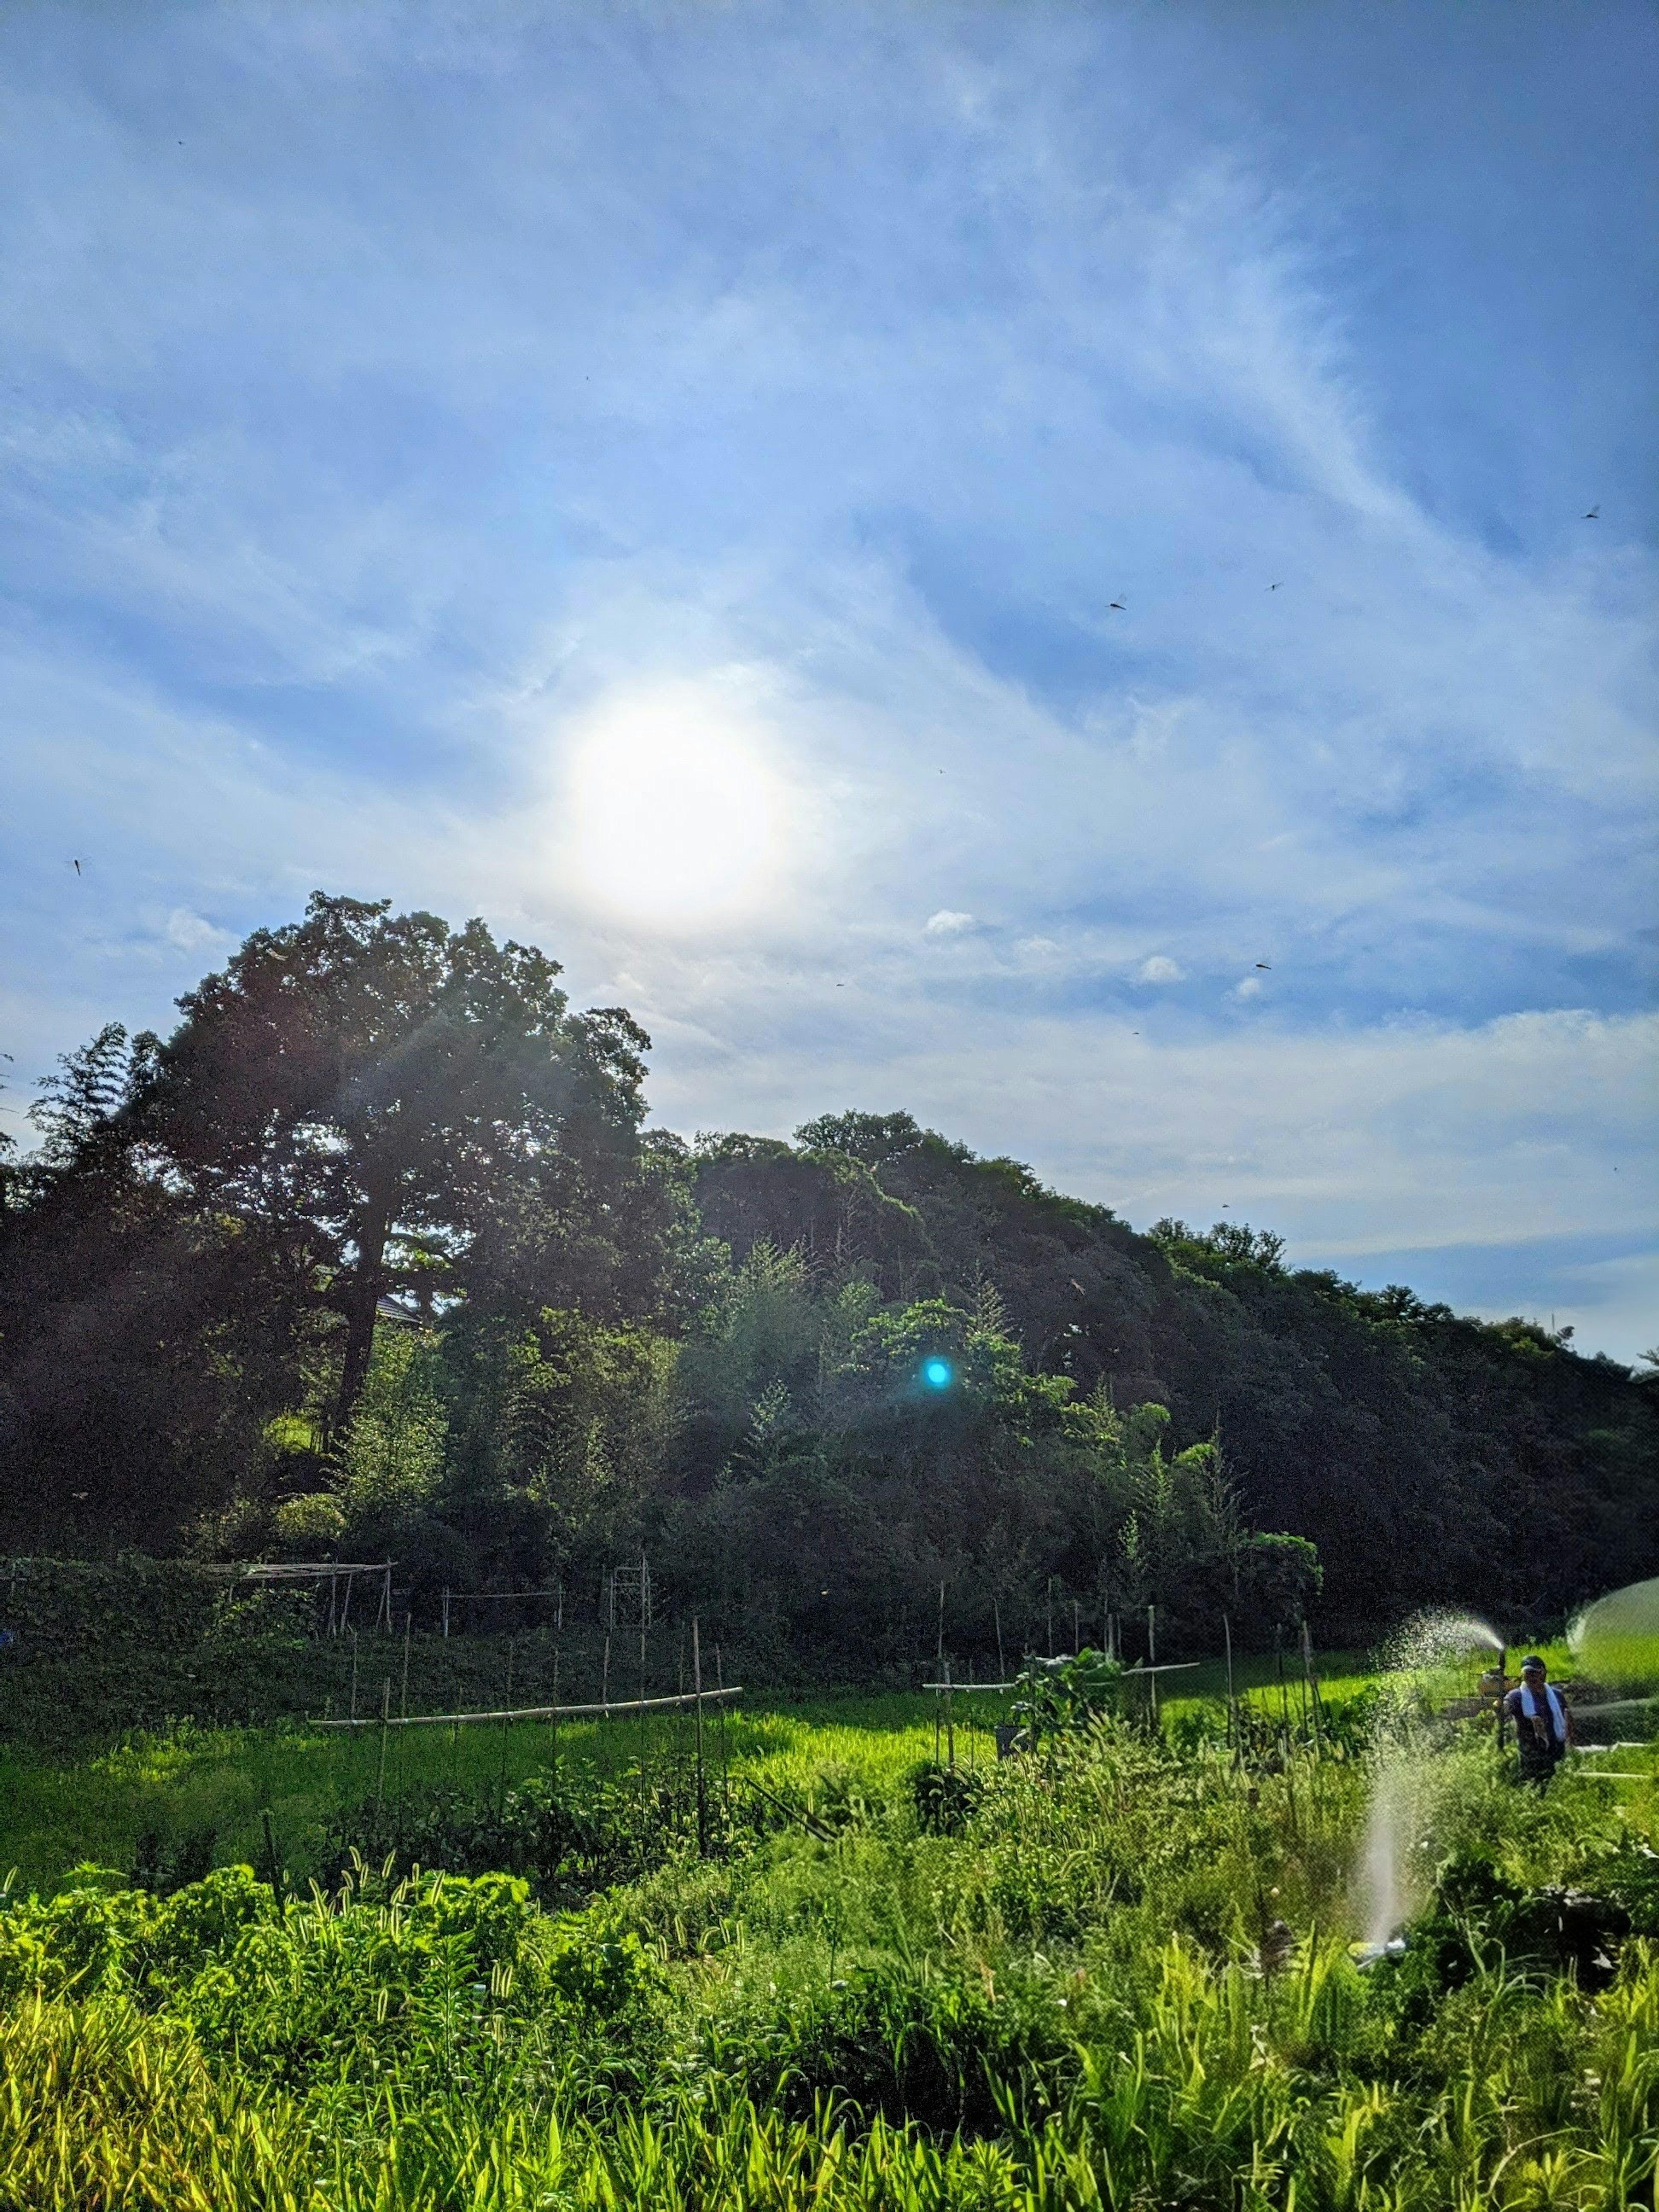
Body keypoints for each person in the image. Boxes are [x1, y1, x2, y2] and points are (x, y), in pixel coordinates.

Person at [1501, 1654, 1573, 1786]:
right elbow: (1504, 1709)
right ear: (1523, 1675)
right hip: (1531, 1757)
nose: (1532, 1676)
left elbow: (1568, 1721)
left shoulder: (1557, 1695)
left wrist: (1571, 1744)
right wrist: (1500, 1705)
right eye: (1528, 1673)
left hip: (1557, 1753)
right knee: (1533, 1789)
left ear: (1544, 1673)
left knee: (1558, 1787)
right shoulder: (1517, 1696)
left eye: (1536, 1672)